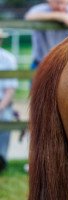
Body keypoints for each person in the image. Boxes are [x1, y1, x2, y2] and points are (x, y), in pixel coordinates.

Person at [0, 30, 18, 172]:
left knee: (6, 117)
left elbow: (10, 89)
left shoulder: (8, 59)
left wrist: (1, 106)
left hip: (2, 101)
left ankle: (1, 158)